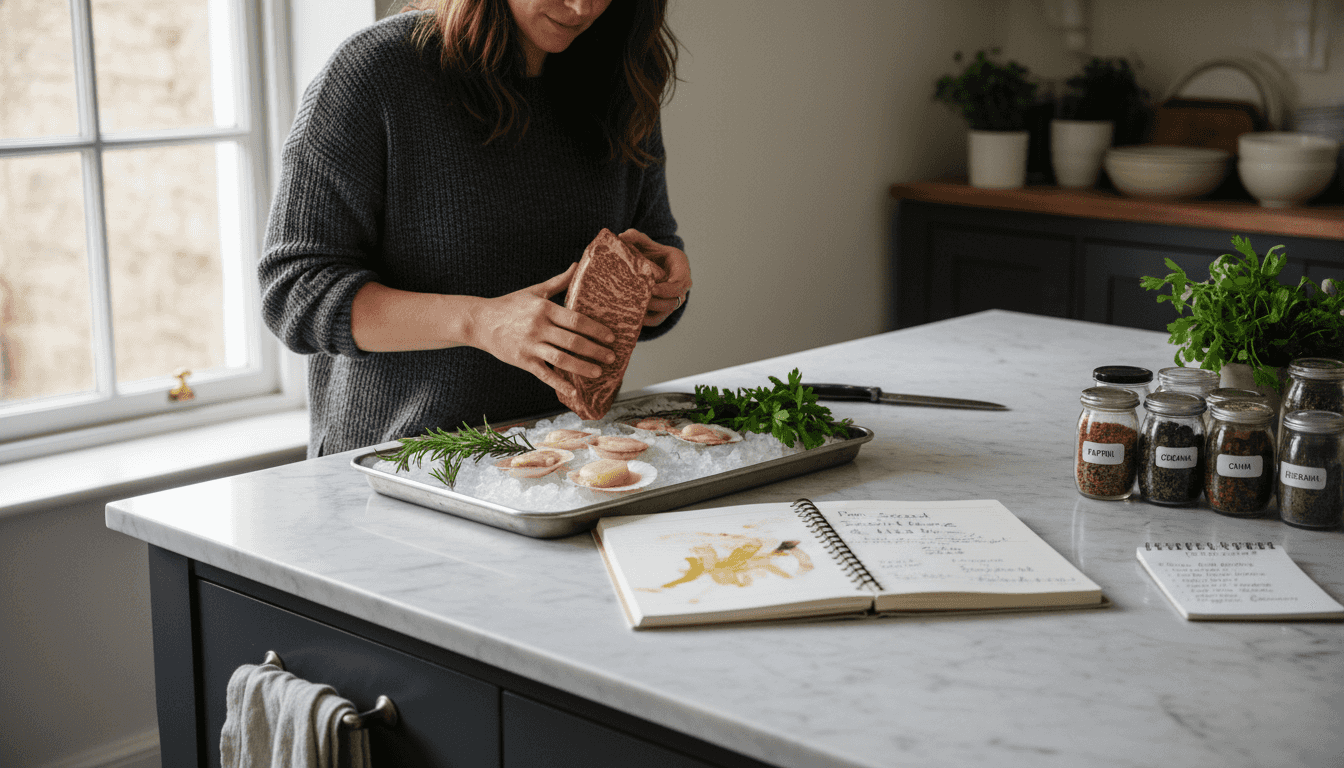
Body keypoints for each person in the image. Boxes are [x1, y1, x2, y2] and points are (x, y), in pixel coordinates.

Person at [258, 0, 691, 457]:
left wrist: (663, 288)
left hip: (567, 466)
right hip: (394, 472)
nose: (581, 6)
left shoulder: (620, 77)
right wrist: (479, 323)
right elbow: (293, 294)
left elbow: (653, 246)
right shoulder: (377, 72)